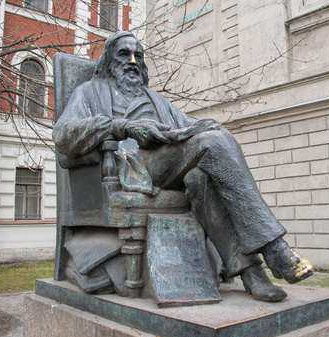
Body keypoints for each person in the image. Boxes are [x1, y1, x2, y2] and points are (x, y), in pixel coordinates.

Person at [53, 31, 313, 302]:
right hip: (131, 168)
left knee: (201, 175)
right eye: (124, 54)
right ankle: (274, 248)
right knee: (211, 145)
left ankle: (251, 271)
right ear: (109, 62)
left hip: (165, 167)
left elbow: (188, 127)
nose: (132, 61)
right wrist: (124, 127)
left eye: (138, 56)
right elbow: (63, 136)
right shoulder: (89, 93)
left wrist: (207, 125)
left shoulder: (156, 100)